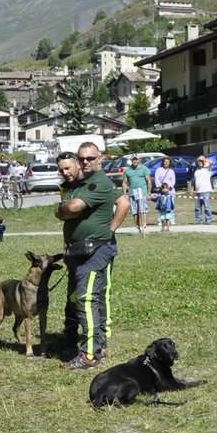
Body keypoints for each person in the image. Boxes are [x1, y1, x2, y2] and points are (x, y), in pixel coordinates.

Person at [55, 144, 127, 369]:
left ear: (100, 159)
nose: (86, 162)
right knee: (88, 298)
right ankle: (97, 345)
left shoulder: (99, 183)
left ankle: (89, 355)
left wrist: (110, 230)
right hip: (79, 250)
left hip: (94, 252)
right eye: (82, 158)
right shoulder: (80, 184)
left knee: (88, 300)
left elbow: (73, 208)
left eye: (90, 158)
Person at [122, 156, 150, 236]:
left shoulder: (144, 169)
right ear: (131, 160)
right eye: (133, 159)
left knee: (143, 209)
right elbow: (124, 183)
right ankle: (137, 227)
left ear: (139, 160)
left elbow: (149, 181)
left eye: (136, 159)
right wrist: (125, 194)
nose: (135, 161)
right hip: (132, 193)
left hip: (142, 192)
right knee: (135, 211)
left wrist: (149, 193)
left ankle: (144, 227)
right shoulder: (127, 170)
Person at [191, 155, 214, 225]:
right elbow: (193, 181)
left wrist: (203, 159)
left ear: (203, 162)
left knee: (207, 207)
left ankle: (208, 220)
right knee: (197, 207)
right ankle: (198, 220)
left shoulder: (208, 169)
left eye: (201, 162)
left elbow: (211, 162)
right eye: (199, 162)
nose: (200, 163)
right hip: (198, 191)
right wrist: (192, 189)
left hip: (206, 191)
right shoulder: (196, 171)